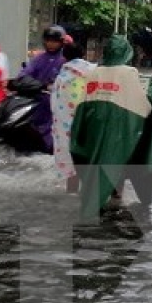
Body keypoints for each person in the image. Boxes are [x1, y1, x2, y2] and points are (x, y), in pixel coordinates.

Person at [70, 35, 152, 219]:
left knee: (101, 162)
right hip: (119, 127)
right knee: (120, 154)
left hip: (93, 125)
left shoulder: (93, 72)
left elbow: (83, 102)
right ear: (127, 53)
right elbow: (141, 103)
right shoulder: (129, 73)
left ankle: (105, 197)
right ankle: (115, 197)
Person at [51, 37, 95, 193]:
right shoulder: (94, 71)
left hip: (67, 124)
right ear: (83, 55)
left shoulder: (62, 77)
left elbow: (54, 105)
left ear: (64, 57)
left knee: (70, 156)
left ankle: (71, 192)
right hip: (89, 121)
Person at [17, 25, 67, 152]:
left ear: (61, 42)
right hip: (37, 105)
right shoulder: (38, 59)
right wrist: (41, 86)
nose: (50, 44)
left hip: (57, 108)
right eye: (48, 40)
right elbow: (23, 76)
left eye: (54, 41)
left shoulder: (65, 61)